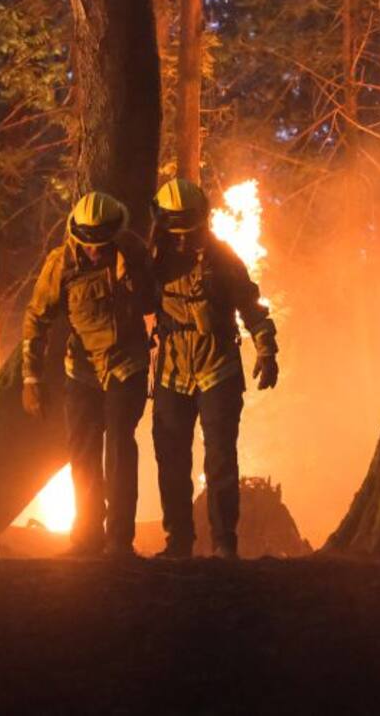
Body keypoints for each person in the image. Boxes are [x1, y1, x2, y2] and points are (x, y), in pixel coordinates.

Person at [149, 178, 279, 560]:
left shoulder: (223, 259)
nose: (182, 243)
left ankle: (224, 544)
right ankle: (178, 543)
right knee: (171, 459)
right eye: (175, 235)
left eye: (188, 234)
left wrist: (266, 351)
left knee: (220, 458)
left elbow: (252, 308)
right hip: (172, 372)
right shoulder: (152, 260)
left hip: (217, 369)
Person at [21, 191, 155, 558]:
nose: (96, 252)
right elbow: (37, 319)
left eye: (103, 245)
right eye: (89, 245)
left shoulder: (134, 252)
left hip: (127, 367)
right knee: (83, 456)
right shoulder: (61, 263)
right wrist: (31, 379)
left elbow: (153, 301)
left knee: (119, 452)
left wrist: (135, 277)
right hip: (81, 373)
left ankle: (119, 541)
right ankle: (86, 539)